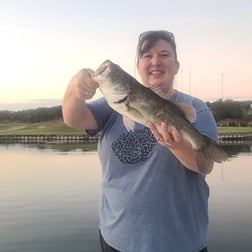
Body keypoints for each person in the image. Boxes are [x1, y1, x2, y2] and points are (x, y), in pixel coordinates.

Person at [62, 30, 217, 252]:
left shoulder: (196, 108)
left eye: (164, 55)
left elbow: (205, 165)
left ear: (176, 65)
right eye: (147, 56)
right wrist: (73, 89)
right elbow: (73, 118)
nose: (155, 62)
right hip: (116, 240)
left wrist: (177, 145)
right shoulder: (112, 105)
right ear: (138, 66)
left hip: (180, 243)